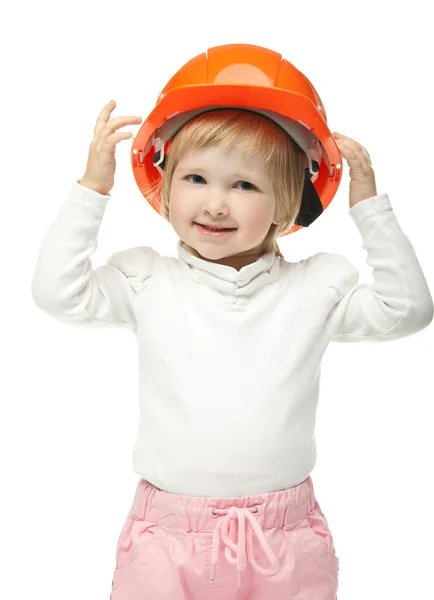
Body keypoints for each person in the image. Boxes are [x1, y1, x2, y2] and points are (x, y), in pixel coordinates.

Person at [31, 46, 433, 600]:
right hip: (167, 539)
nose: (216, 203)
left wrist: (370, 208)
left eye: (245, 186)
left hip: (283, 542)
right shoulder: (148, 281)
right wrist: (91, 189)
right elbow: (57, 293)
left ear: (287, 205)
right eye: (196, 178)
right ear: (164, 187)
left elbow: (407, 309)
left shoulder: (315, 288)